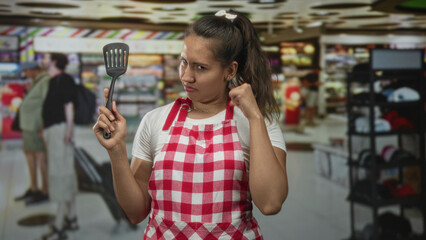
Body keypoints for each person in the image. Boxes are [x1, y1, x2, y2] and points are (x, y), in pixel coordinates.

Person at [94, 9, 288, 239]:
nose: (186, 76)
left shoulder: (256, 122)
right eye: (183, 62)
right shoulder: (155, 121)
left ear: (230, 70)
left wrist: (255, 117)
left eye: (200, 67)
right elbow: (136, 213)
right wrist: (116, 150)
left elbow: (270, 203)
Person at [39, 53, 79, 240]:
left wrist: (68, 131)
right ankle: (71, 217)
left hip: (60, 132)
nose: (43, 60)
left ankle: (58, 224)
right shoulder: (55, 80)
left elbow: (69, 106)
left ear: (54, 62)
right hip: (55, 131)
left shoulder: (64, 80)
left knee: (59, 173)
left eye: (46, 58)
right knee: (66, 171)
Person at [14, 61, 51, 205]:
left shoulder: (44, 81)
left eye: (26, 72)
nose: (25, 75)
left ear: (32, 70)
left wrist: (43, 125)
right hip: (29, 126)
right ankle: (34, 187)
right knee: (29, 153)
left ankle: (45, 190)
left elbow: (46, 103)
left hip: (36, 126)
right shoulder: (37, 81)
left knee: (40, 157)